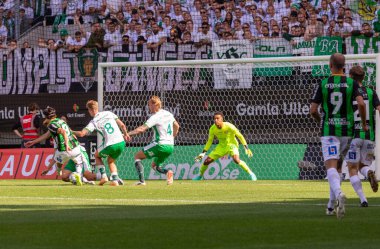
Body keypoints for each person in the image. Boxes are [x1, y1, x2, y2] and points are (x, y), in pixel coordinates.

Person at [310, 53, 368, 219]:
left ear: (330, 65)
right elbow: (362, 104)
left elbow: (313, 110)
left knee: (331, 167)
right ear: (344, 66)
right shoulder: (351, 83)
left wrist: (320, 120)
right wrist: (363, 123)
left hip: (330, 132)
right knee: (338, 168)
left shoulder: (323, 83)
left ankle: (340, 193)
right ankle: (330, 206)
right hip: (347, 133)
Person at [344, 65, 379, 207]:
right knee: (363, 165)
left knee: (352, 168)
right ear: (363, 78)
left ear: (351, 77)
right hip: (369, 136)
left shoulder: (348, 92)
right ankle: (368, 172)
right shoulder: (371, 92)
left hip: (353, 136)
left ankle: (363, 199)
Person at [73, 100, 130, 186]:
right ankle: (114, 179)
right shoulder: (109, 113)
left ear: (91, 110)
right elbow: (122, 125)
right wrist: (126, 134)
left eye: (88, 110)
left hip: (110, 144)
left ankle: (104, 176)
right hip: (121, 142)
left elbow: (82, 134)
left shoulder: (94, 121)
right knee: (110, 161)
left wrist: (70, 131)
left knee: (96, 155)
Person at [26, 106, 86, 185]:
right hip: (76, 147)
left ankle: (61, 171)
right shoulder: (61, 121)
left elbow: (63, 132)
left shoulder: (51, 125)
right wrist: (33, 142)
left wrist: (67, 144)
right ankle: (77, 175)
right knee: (78, 162)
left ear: (46, 117)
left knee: (57, 159)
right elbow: (47, 135)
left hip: (65, 150)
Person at [127, 96, 180, 186]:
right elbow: (177, 126)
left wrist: (127, 134)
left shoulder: (155, 117)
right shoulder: (168, 114)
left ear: (155, 105)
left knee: (137, 156)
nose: (148, 107)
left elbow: (142, 129)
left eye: (149, 105)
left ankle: (142, 181)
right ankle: (168, 172)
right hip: (170, 146)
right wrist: (173, 136)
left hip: (160, 145)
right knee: (155, 166)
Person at [192, 112, 257, 181]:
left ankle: (251, 173)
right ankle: (200, 175)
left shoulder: (229, 126)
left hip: (232, 144)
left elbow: (240, 136)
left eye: (218, 118)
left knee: (236, 160)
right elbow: (209, 141)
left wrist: (246, 148)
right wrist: (203, 153)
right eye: (214, 118)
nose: (216, 120)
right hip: (221, 146)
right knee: (206, 161)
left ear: (222, 119)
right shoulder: (212, 129)